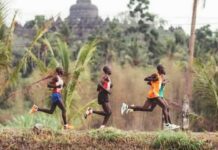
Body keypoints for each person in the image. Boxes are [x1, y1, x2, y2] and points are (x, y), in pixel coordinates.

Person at [121, 65, 175, 129]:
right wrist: (153, 79)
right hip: (154, 95)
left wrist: (155, 82)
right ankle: (167, 125)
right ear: (160, 69)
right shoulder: (156, 75)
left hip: (152, 95)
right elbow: (146, 79)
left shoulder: (160, 77)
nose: (164, 70)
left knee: (145, 108)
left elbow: (149, 83)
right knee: (165, 107)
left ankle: (127, 107)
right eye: (163, 68)